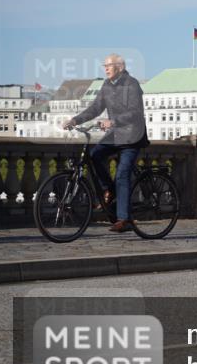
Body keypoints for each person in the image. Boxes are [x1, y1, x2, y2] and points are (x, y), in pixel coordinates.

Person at [63, 53, 148, 233]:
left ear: (120, 67)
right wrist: (75, 120)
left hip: (132, 137)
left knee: (122, 175)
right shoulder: (106, 85)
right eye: (105, 66)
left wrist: (113, 122)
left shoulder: (131, 84)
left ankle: (124, 219)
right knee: (94, 155)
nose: (106, 68)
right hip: (116, 135)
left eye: (109, 65)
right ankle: (109, 190)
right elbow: (95, 108)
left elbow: (136, 113)